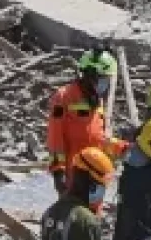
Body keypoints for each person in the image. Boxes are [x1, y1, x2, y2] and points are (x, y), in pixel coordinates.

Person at [45, 49, 120, 193]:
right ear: (91, 75)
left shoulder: (96, 99)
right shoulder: (62, 98)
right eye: (104, 78)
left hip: (97, 173)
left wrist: (122, 147)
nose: (107, 83)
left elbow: (99, 137)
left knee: (93, 214)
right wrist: (57, 172)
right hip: (74, 175)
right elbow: (54, 138)